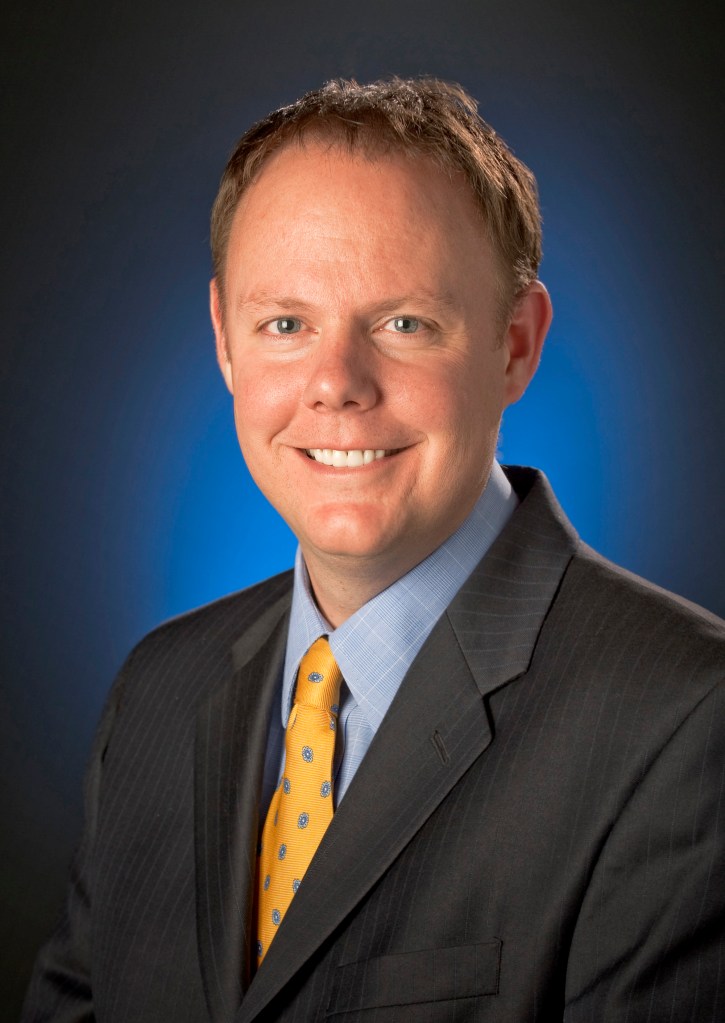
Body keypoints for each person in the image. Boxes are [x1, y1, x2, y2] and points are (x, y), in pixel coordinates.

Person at [22, 77, 724, 1023]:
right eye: (286, 324)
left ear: (515, 344)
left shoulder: (685, 724)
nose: (336, 384)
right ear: (226, 343)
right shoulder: (157, 692)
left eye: (403, 324)